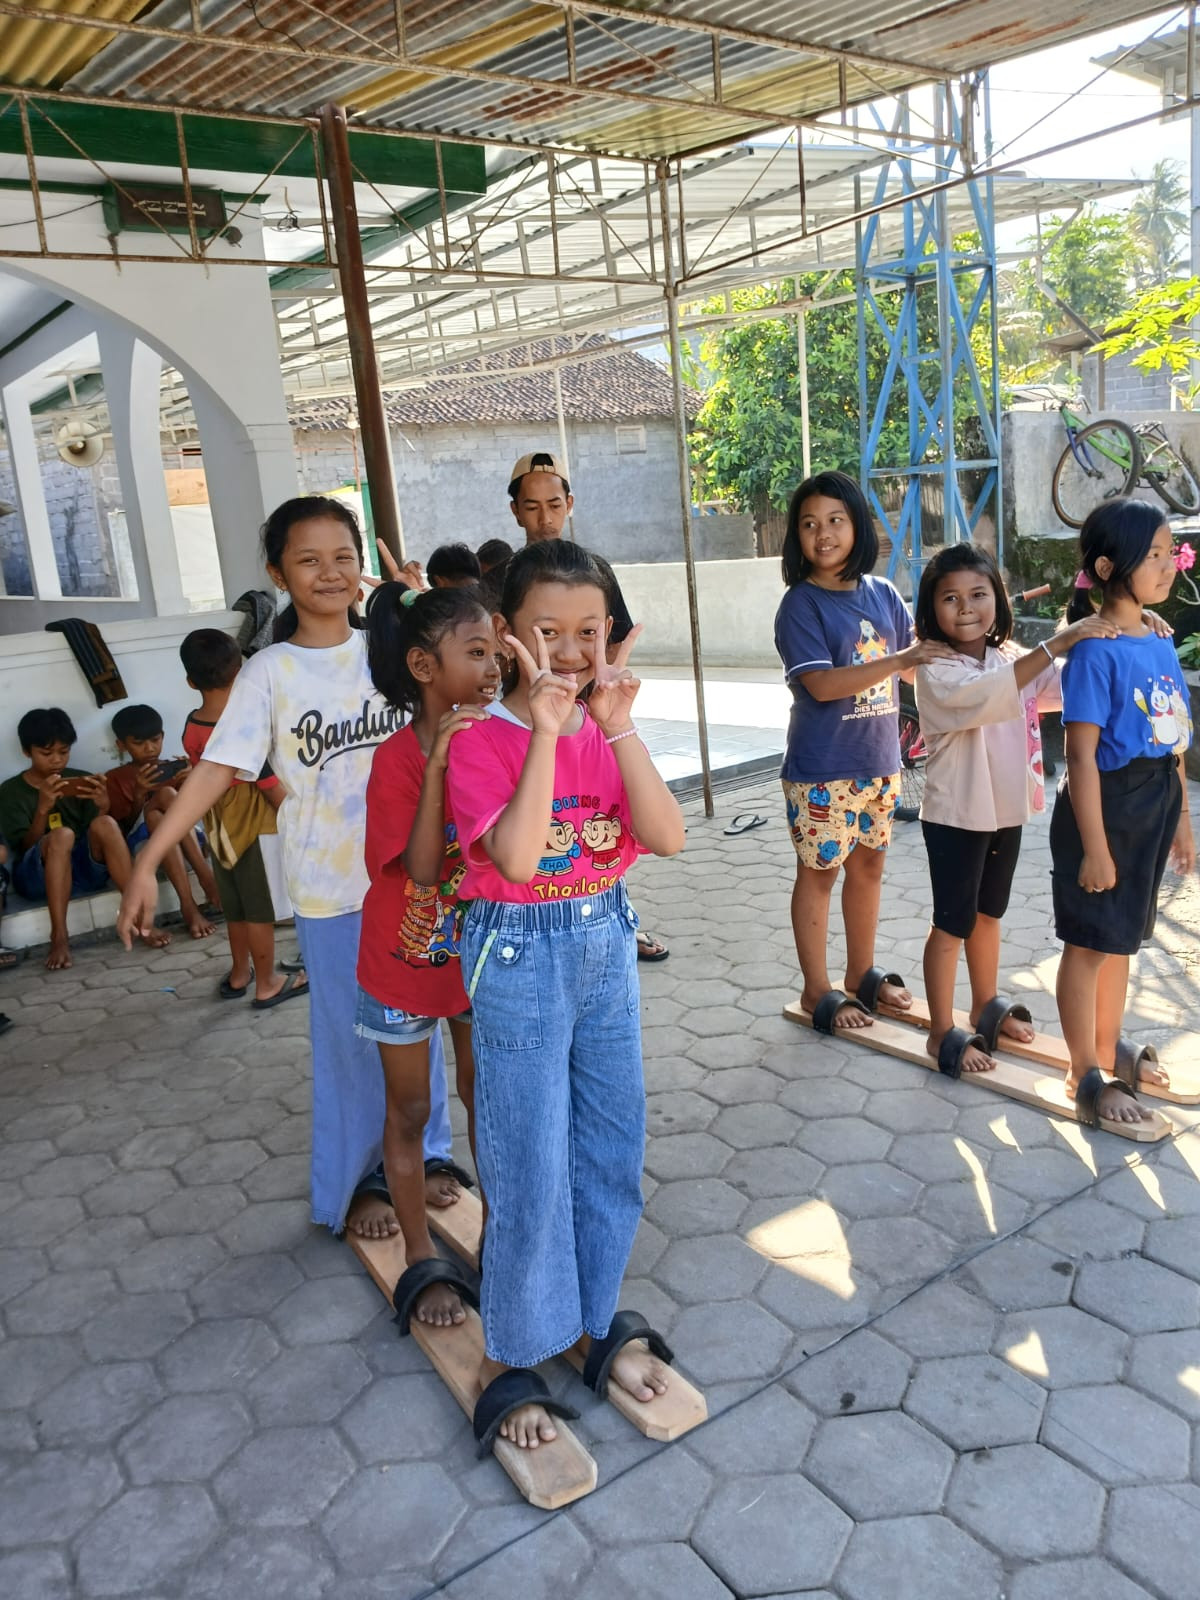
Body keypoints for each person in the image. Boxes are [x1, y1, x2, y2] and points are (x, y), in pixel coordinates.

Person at [116, 496, 459, 1236]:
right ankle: (358, 1182)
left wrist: (427, 604)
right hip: (333, 892)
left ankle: (426, 1155)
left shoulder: (393, 650)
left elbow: (470, 676)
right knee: (351, 1042)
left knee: (422, 1022)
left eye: (343, 556)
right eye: (308, 560)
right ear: (278, 573)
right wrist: (149, 857)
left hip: (416, 882)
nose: (330, 572)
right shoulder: (269, 672)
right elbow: (215, 773)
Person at [446, 539, 686, 1451]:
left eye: (591, 630)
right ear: (509, 636)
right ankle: (511, 1350)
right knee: (527, 1158)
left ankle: (587, 1317)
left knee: (613, 1143)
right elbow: (512, 857)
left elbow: (666, 837)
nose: (575, 651)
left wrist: (616, 727)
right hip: (515, 954)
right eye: (551, 630)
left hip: (603, 941)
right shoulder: (482, 741)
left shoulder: (607, 728)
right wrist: (546, 730)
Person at [913, 544, 1117, 1076]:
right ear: (931, 608)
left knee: (989, 914)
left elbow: (1061, 683)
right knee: (951, 924)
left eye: (978, 595)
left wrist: (1123, 627)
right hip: (957, 816)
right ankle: (940, 1031)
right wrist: (1059, 641)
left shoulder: (1007, 656)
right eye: (950, 598)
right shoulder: (935, 667)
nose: (965, 608)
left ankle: (984, 1005)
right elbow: (991, 693)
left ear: (997, 600)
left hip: (1005, 812)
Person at [358, 582, 500, 1328]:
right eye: (474, 652)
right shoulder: (397, 760)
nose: (492, 664)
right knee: (413, 1106)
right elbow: (419, 868)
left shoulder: (502, 735)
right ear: (422, 664)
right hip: (403, 964)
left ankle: (503, 1236)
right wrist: (442, 766)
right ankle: (420, 1253)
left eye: (495, 649)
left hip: (479, 958)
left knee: (489, 1098)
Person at [774, 469, 958, 1033]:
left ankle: (860, 976)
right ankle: (815, 988)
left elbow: (915, 666)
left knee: (870, 869)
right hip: (822, 770)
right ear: (796, 538)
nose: (823, 534)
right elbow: (824, 685)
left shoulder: (882, 594)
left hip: (880, 763)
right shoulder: (800, 606)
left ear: (858, 526)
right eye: (809, 524)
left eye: (835, 520)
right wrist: (902, 660)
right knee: (820, 873)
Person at [1051, 498, 1193, 1127]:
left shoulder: (1158, 637)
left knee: (1122, 941)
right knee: (1088, 943)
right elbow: (1079, 757)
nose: (1168, 566)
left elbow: (1174, 741)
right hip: (1105, 805)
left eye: (1171, 553)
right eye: (1154, 556)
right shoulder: (1094, 651)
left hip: (1154, 799)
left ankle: (1109, 1047)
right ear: (1110, 567)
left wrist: (1181, 822)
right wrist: (1096, 847)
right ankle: (1082, 1071)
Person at [503, 449, 665, 961]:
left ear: (569, 504)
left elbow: (667, 835)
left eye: (554, 504)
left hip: (589, 720)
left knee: (598, 824)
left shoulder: (595, 572)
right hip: (527, 726)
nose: (545, 517)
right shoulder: (505, 579)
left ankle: (616, 914)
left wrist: (609, 709)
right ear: (516, 511)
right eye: (532, 507)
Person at [179, 628, 303, 1009]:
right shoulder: (243, 725)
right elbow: (267, 783)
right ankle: (267, 982)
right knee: (259, 912)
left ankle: (239, 974)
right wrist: (301, 817)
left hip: (218, 826)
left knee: (235, 909)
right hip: (254, 827)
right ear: (241, 671)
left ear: (190, 680)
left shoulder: (192, 724)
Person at [0, 707, 166, 970]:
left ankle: (138, 918)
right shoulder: (10, 792)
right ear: (26, 751)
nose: (56, 760)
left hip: (83, 870)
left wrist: (102, 806)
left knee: (106, 823)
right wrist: (42, 808)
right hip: (36, 878)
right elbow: (24, 847)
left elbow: (96, 833)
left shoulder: (80, 779)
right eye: (46, 754)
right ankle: (59, 936)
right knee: (62, 835)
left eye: (63, 752)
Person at [106, 703, 218, 941]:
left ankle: (188, 907)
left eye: (155, 740)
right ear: (121, 745)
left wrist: (192, 780)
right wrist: (138, 794)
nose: (150, 748)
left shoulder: (173, 769)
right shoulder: (115, 778)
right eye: (139, 743)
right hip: (142, 845)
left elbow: (200, 808)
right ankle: (206, 878)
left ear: (163, 737)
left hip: (184, 838)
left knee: (163, 808)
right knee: (162, 802)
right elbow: (121, 829)